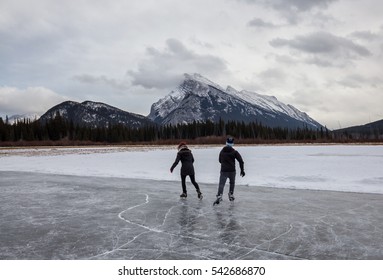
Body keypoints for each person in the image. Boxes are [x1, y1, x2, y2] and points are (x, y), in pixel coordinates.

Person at [213, 136, 245, 205]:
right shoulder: (234, 152)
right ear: (232, 143)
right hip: (232, 171)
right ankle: (231, 194)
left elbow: (219, 161)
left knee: (221, 184)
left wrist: (224, 162)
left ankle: (219, 195)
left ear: (226, 143)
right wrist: (242, 170)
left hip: (224, 170)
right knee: (232, 183)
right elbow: (241, 161)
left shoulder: (222, 151)